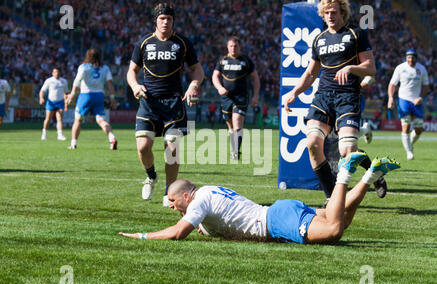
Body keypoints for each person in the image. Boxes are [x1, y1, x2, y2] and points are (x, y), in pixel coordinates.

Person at [119, 152, 400, 244]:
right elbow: (201, 222)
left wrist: (141, 236)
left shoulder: (199, 200)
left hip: (274, 221)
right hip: (278, 211)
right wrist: (181, 212)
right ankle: (370, 175)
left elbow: (178, 234)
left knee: (334, 230)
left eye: (172, 199)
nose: (170, 204)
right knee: (338, 219)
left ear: (185, 195)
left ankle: (345, 172)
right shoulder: (206, 194)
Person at [284, 0, 376, 206]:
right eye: (326, 13)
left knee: (347, 151)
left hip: (348, 96)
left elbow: (371, 67)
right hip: (323, 96)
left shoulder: (356, 34)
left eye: (334, 12)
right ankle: (331, 196)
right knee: (312, 144)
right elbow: (310, 72)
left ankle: (374, 172)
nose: (330, 16)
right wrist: (294, 93)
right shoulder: (319, 39)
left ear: (343, 12)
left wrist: (351, 69)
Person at [126, 3, 204, 206]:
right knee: (143, 147)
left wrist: (193, 86)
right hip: (149, 102)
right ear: (156, 21)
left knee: (172, 149)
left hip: (173, 102)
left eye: (169, 18)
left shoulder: (182, 43)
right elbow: (131, 71)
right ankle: (151, 176)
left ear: (173, 21)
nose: (165, 22)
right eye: (162, 18)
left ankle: (169, 192)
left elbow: (198, 70)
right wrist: (135, 86)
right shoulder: (144, 43)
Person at [212, 36, 260, 160]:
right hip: (226, 97)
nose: (233, 48)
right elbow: (215, 76)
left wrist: (255, 96)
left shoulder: (246, 61)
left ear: (240, 47)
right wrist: (219, 88)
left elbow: (255, 78)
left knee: (237, 121)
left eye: (236, 46)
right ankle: (234, 147)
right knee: (230, 126)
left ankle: (235, 152)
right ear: (227, 47)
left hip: (241, 96)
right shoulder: (222, 60)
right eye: (231, 46)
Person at [65, 48, 118, 150]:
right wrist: (112, 98)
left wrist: (72, 94)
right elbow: (110, 84)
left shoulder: (83, 67)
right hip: (99, 95)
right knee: (101, 120)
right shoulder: (105, 68)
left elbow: (77, 81)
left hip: (86, 95)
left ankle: (73, 144)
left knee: (78, 120)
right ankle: (112, 138)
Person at [388, 48, 430, 160]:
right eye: (408, 57)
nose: (410, 59)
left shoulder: (422, 69)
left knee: (419, 129)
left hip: (416, 101)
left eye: (412, 57)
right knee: (405, 127)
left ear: (416, 58)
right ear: (406, 58)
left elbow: (426, 86)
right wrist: (391, 98)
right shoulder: (400, 68)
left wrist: (421, 97)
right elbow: (392, 84)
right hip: (403, 100)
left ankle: (409, 144)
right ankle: (409, 152)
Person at [39, 67, 69, 141]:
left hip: (60, 102)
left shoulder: (64, 81)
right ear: (52, 73)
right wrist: (41, 98)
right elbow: (42, 90)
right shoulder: (49, 81)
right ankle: (44, 134)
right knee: (48, 119)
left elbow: (66, 92)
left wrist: (66, 102)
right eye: (55, 72)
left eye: (58, 72)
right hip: (51, 102)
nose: (57, 73)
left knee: (59, 119)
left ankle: (60, 135)